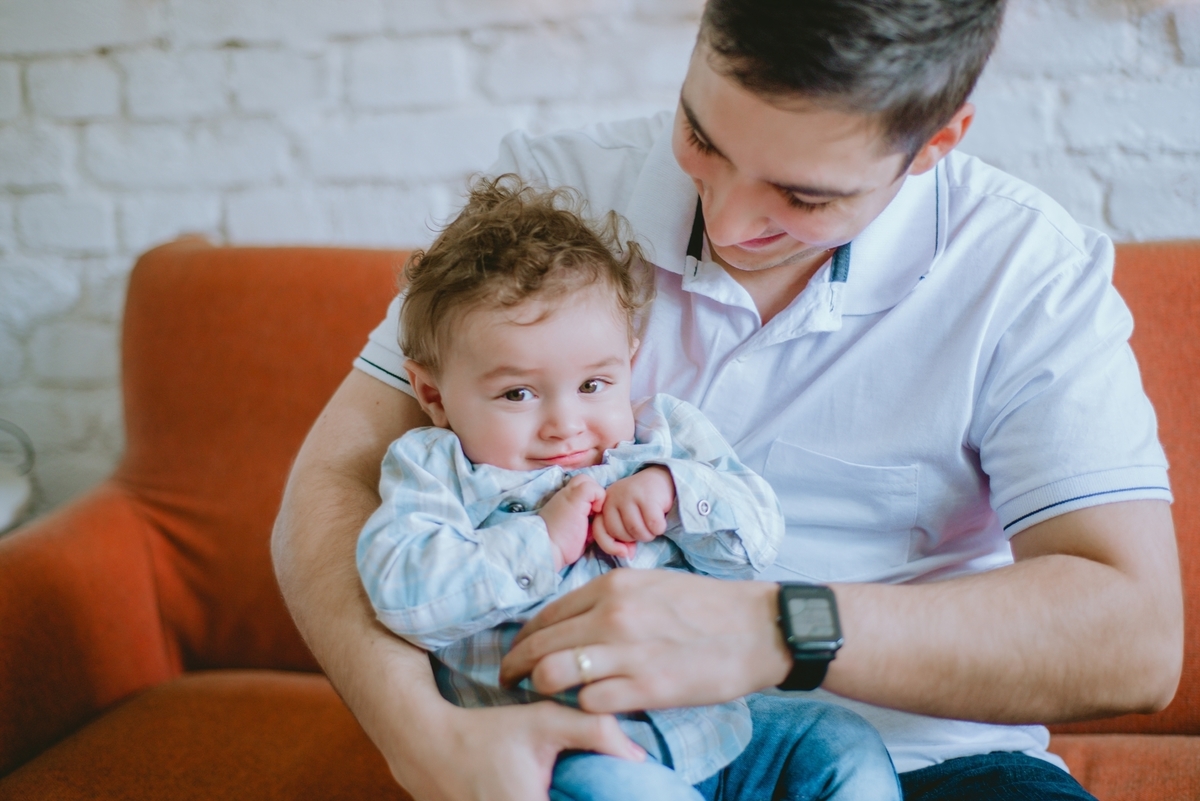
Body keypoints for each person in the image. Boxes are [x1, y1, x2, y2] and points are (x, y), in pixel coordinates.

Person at [273, 2, 1184, 799]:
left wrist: (779, 629)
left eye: (804, 195)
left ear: (935, 143)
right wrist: (427, 740)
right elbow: (331, 482)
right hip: (587, 739)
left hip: (932, 758)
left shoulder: (1027, 269)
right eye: (702, 138)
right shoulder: (551, 198)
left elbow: (1137, 637)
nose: (730, 220)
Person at [354, 177, 902, 801]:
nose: (565, 424)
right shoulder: (434, 468)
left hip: (718, 732)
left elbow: (756, 542)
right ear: (433, 394)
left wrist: (673, 493)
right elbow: (402, 594)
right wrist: (539, 542)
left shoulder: (661, 437)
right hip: (576, 753)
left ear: (629, 361)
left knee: (839, 742)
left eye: (593, 385)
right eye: (518, 393)